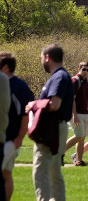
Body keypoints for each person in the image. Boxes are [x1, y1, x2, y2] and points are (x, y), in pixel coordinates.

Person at [28, 44, 74, 201]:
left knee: (41, 173)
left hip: (51, 130)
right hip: (56, 128)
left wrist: (33, 105)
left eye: (42, 58)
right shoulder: (61, 76)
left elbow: (54, 104)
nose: (41, 61)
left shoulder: (59, 76)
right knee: (54, 173)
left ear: (47, 57)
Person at [0, 51, 33, 199]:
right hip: (7, 139)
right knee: (6, 173)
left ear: (5, 67)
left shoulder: (19, 86)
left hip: (9, 139)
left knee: (5, 174)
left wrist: (19, 139)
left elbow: (25, 115)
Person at [65, 61, 88, 166]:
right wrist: (74, 115)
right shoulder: (74, 81)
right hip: (76, 113)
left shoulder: (86, 83)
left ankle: (79, 160)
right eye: (84, 69)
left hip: (85, 113)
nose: (86, 72)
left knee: (82, 137)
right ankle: (59, 153)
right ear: (79, 69)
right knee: (79, 135)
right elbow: (71, 99)